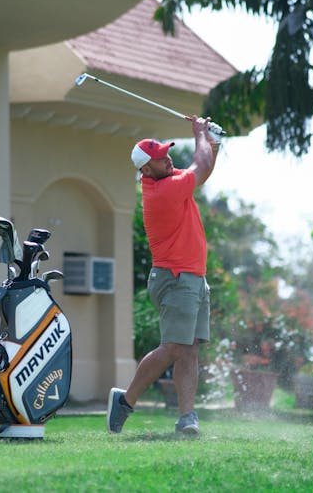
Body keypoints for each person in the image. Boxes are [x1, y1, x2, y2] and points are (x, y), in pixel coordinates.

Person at [107, 115, 221, 435]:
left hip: (193, 277)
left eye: (166, 153)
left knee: (189, 349)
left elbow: (204, 167)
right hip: (175, 278)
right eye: (160, 158)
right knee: (174, 347)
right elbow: (199, 165)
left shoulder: (170, 183)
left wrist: (214, 142)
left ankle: (187, 418)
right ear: (146, 169)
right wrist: (199, 133)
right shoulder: (163, 191)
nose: (168, 158)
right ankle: (126, 402)